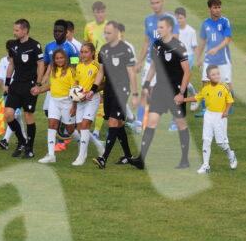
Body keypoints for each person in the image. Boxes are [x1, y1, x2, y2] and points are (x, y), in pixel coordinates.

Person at [137, 16, 192, 170]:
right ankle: (141, 159)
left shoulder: (179, 46)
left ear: (169, 28)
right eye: (158, 27)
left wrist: (181, 93)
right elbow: (154, 66)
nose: (158, 30)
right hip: (160, 88)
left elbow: (187, 72)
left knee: (180, 123)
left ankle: (184, 160)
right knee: (151, 121)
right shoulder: (156, 45)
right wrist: (147, 84)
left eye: (161, 27)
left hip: (176, 90)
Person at [95, 20, 138, 168]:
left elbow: (131, 73)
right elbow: (101, 72)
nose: (106, 35)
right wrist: (93, 89)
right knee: (118, 124)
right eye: (105, 33)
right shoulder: (103, 49)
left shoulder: (126, 49)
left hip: (122, 90)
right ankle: (128, 156)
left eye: (109, 33)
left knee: (113, 122)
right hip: (108, 90)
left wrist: (135, 94)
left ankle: (103, 158)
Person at [181, 66, 237, 174]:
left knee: (221, 143)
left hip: (220, 117)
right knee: (206, 140)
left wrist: (226, 111)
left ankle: (231, 154)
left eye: (217, 74)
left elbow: (230, 101)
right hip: (208, 115)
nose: (216, 76)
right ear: (208, 77)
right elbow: (197, 97)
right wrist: (183, 100)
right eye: (213, 74)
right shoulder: (206, 89)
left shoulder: (224, 87)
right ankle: (206, 166)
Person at [35, 48, 76, 164]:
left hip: (67, 102)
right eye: (57, 58)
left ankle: (84, 140)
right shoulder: (53, 69)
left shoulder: (71, 71)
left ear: (66, 58)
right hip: (54, 101)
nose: (59, 60)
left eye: (61, 58)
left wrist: (74, 106)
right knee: (52, 125)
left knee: (70, 129)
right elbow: (51, 86)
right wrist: (39, 90)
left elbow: (74, 90)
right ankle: (51, 155)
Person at [72, 42, 103, 166]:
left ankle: (81, 156)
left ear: (92, 53)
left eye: (86, 52)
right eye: (81, 52)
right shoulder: (78, 66)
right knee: (80, 129)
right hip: (80, 101)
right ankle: (99, 145)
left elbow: (103, 83)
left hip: (92, 99)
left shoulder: (96, 66)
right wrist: (74, 102)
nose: (83, 54)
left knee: (85, 125)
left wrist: (91, 92)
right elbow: (76, 85)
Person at [196, 0, 234, 90]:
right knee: (205, 82)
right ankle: (206, 104)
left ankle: (229, 103)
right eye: (215, 8)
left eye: (219, 7)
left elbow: (227, 39)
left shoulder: (225, 21)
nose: (218, 10)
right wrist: (198, 58)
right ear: (209, 9)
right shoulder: (205, 23)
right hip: (209, 59)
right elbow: (202, 42)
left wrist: (216, 49)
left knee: (226, 84)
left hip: (223, 59)